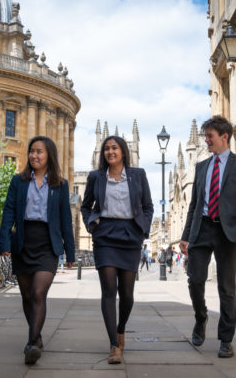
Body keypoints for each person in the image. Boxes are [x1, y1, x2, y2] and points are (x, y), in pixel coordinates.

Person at [179, 115, 236, 359]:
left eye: (210, 136)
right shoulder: (201, 167)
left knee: (226, 288)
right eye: (205, 136)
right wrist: (185, 236)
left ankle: (226, 339)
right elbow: (193, 204)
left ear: (224, 137)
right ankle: (200, 319)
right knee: (195, 279)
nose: (206, 141)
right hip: (202, 229)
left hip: (227, 231)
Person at [0, 136, 75, 365]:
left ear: (49, 155)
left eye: (39, 152)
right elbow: (8, 213)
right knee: (27, 296)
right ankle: (37, 334)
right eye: (32, 151)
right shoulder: (18, 181)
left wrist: (70, 252)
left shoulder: (60, 185)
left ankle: (31, 343)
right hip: (23, 241)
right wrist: (4, 243)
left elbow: (65, 220)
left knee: (39, 293)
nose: (34, 155)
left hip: (47, 244)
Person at [81, 135, 153, 364]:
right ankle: (114, 344)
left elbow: (148, 206)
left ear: (123, 151)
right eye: (106, 149)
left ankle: (121, 329)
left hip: (130, 235)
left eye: (114, 148)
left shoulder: (138, 175)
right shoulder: (95, 177)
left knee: (128, 294)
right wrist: (92, 227)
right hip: (105, 235)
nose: (110, 152)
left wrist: (142, 229)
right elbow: (86, 206)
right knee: (109, 290)